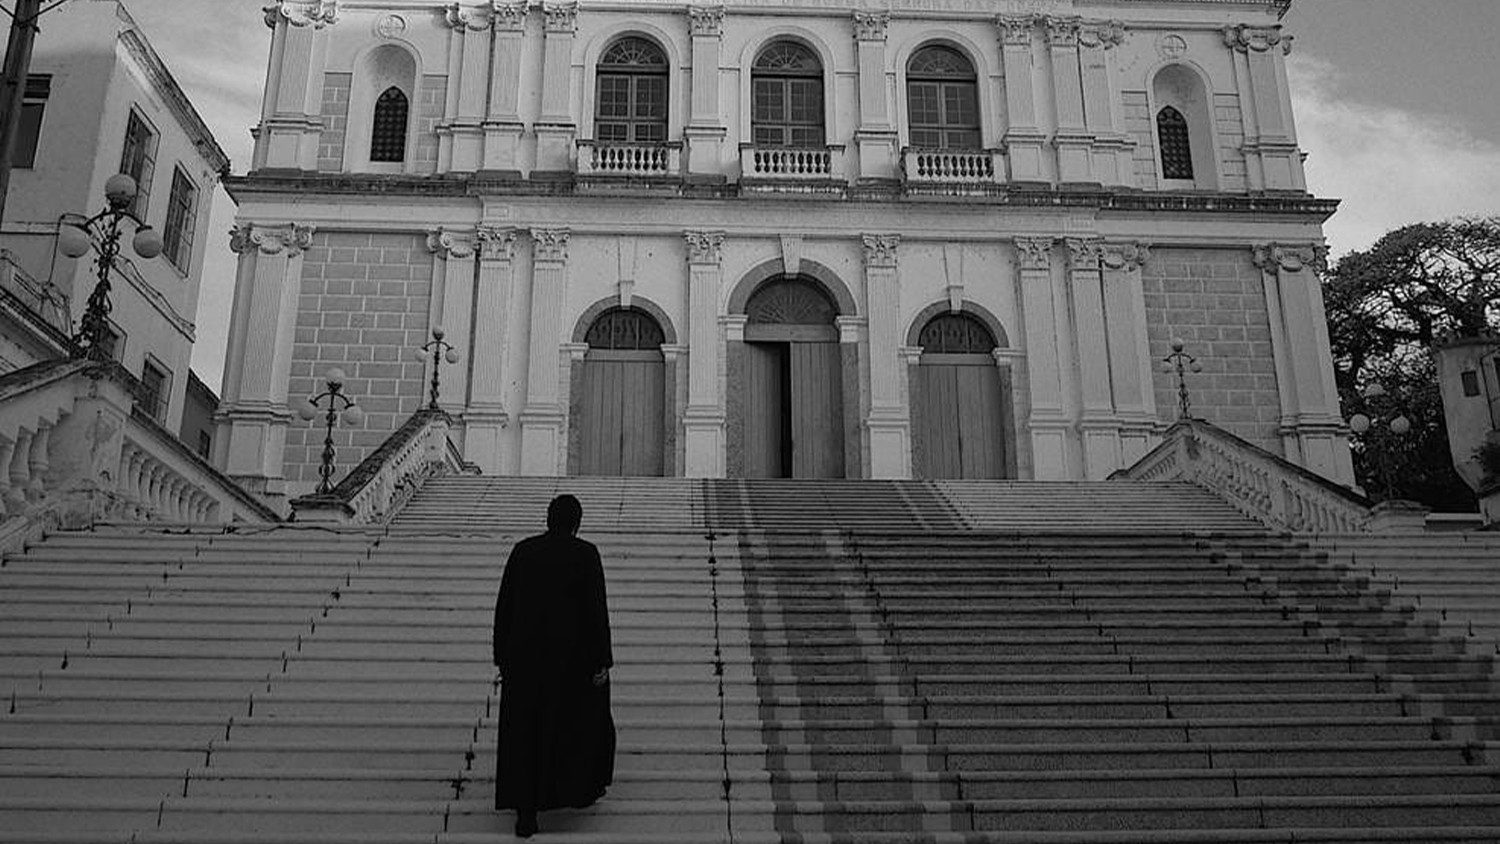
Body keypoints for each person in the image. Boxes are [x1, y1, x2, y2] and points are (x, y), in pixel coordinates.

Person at [492, 494, 615, 838]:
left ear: (548, 519)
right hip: (571, 662)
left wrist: (501, 656)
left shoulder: (522, 551)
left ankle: (526, 812)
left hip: (525, 661)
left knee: (525, 736)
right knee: (576, 725)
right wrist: (602, 659)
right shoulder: (585, 554)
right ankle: (576, 791)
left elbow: (505, 606)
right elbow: (595, 610)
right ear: (576, 523)